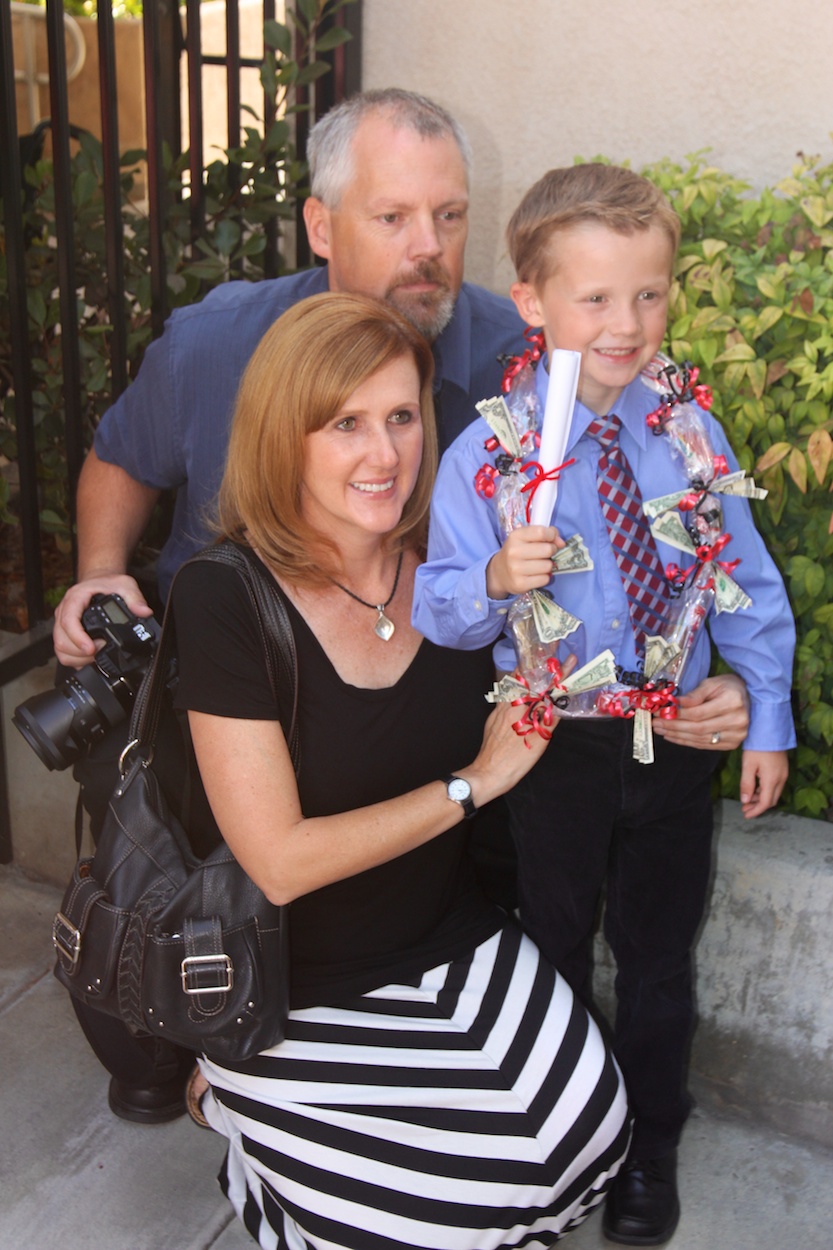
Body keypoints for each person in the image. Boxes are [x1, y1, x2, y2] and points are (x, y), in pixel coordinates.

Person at [50, 88, 530, 1123]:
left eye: (447, 217)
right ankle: (169, 1031)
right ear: (320, 225)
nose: (429, 248)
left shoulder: (503, 354)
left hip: (393, 684)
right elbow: (119, 460)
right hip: (217, 672)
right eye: (393, 216)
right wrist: (99, 569)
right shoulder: (216, 340)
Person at [170, 290, 631, 1249]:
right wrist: (472, 784)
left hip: (448, 931)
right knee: (439, 1219)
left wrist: (705, 710)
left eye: (401, 417)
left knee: (584, 1149)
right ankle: (244, 1136)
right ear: (281, 435)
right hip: (288, 976)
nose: (383, 456)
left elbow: (591, 670)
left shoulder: (455, 563)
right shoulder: (226, 596)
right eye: (343, 424)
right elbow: (281, 862)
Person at [412, 164, 796, 1245]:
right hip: (553, 750)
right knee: (555, 944)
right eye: (595, 297)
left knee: (660, 954)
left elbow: (745, 579)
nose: (627, 324)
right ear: (530, 300)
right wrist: (494, 578)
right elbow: (437, 604)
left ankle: (650, 1146)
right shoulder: (489, 456)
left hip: (673, 742)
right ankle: (570, 1132)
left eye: (650, 293)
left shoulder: (685, 436)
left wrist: (761, 711)